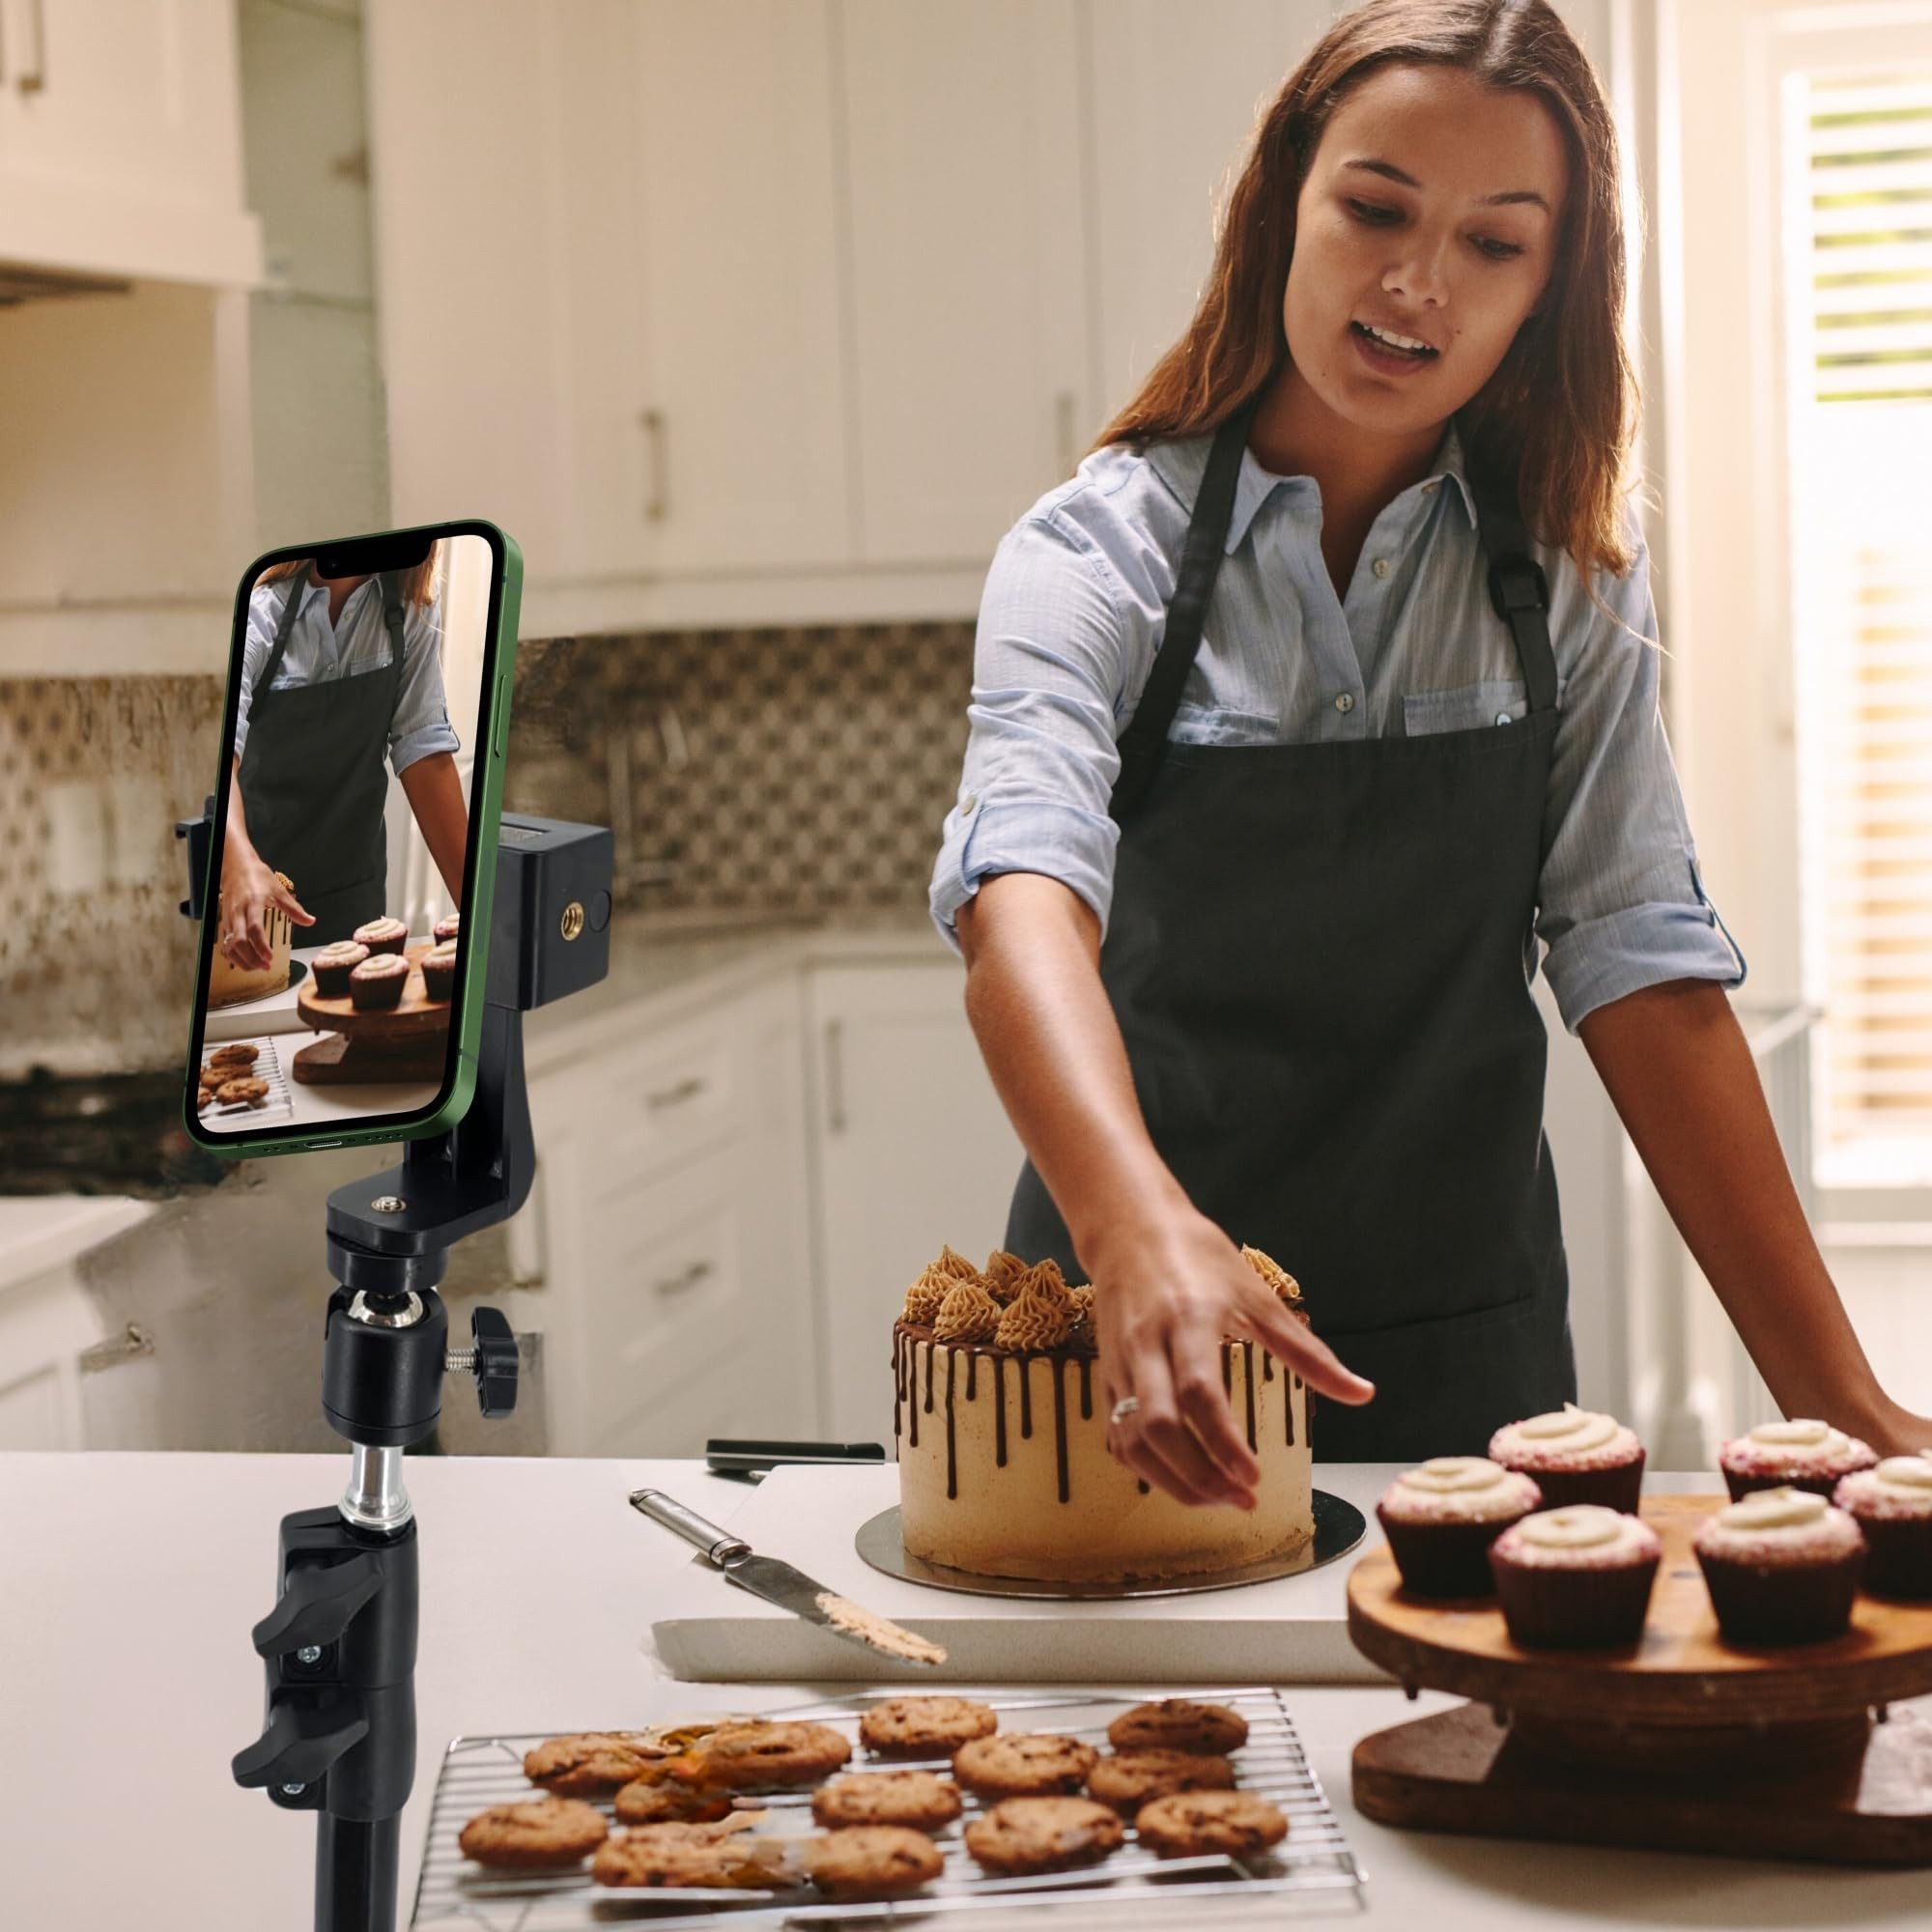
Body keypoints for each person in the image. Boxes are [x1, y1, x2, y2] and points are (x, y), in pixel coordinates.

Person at [930, 0, 1932, 1510]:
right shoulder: (1097, 551)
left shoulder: (1568, 576)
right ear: (1285, 206)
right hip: (1127, 1363)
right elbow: (1021, 897)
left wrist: (1845, 1404)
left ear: (1551, 286)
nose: (1416, 284)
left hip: (1471, 1363)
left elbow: (1642, 970)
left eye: (1493, 243)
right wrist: (1133, 1226)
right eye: (1376, 208)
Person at [218, 545, 469, 972]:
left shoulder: (410, 609)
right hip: (256, 904)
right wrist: (237, 862)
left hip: (356, 898)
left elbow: (423, 751)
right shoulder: (258, 609)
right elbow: (219, 756)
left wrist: (484, 918)